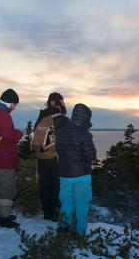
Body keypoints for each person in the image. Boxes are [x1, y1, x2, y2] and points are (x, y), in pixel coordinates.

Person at [55, 103, 97, 236]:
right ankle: (79, 234)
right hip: (81, 175)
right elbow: (90, 156)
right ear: (86, 118)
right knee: (82, 205)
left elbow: (59, 150)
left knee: (66, 203)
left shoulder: (61, 131)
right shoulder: (84, 134)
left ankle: (63, 230)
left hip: (64, 174)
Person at [0, 89, 23, 228]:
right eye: (15, 104)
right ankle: (4, 217)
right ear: (11, 102)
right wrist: (19, 134)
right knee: (7, 189)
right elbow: (8, 135)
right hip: (4, 158)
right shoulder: (2, 113)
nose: (15, 107)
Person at [33, 92, 69, 221]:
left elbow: (35, 134)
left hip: (41, 155)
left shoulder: (42, 115)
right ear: (61, 102)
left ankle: (46, 213)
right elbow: (67, 139)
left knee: (44, 184)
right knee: (56, 185)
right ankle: (56, 213)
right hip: (55, 156)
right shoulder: (61, 118)